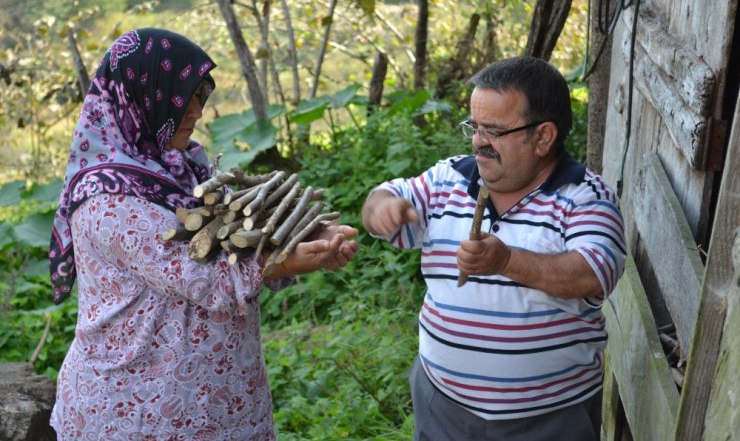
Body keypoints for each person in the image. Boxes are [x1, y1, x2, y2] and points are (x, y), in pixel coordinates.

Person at [48, 28, 359, 440]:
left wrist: (311, 236)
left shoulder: (184, 167)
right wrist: (284, 261)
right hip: (137, 411)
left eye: (200, 97)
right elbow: (204, 278)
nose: (197, 112)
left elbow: (245, 235)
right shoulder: (108, 199)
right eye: (185, 99)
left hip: (216, 404)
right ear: (145, 98)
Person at [362, 57, 626, 441]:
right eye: (475, 127)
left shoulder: (584, 196)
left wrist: (505, 260)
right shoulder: (447, 178)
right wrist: (380, 207)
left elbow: (592, 274)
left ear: (543, 137)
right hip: (444, 407)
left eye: (494, 131)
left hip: (549, 419)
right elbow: (386, 195)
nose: (477, 141)